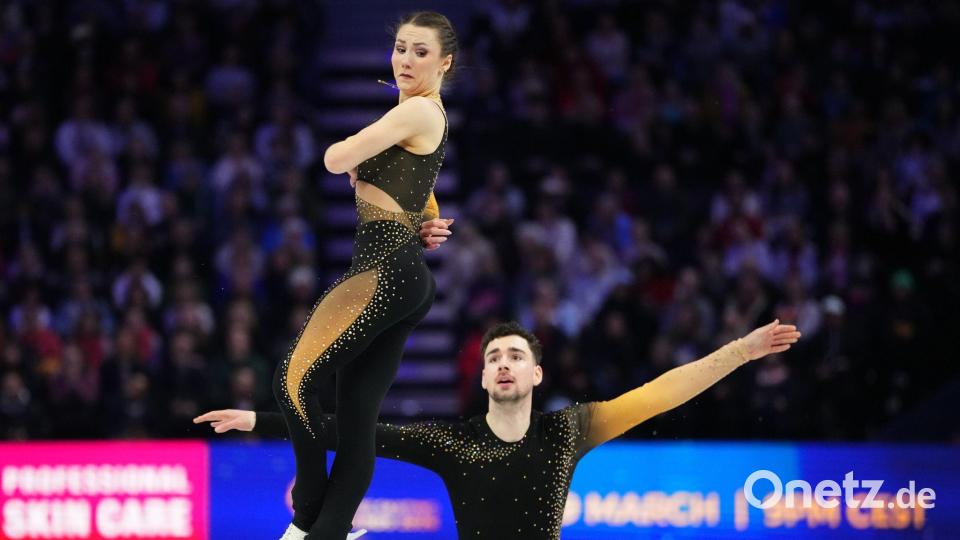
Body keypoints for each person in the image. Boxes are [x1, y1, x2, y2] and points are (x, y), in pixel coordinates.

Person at [198, 320, 801, 539]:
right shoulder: (452, 442)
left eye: (515, 355)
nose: (504, 363)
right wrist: (259, 420)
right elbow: (353, 431)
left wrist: (742, 351)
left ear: (536, 373)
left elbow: (660, 394)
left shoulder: (566, 432)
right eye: (494, 358)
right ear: (484, 377)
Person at [269, 11, 458, 540]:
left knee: (292, 381)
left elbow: (333, 159)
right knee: (355, 421)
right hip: (400, 268)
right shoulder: (418, 115)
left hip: (385, 269)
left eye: (420, 51)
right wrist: (424, 219)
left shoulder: (416, 110)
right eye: (400, 48)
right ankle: (330, 531)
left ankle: (307, 519)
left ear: (445, 62)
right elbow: (418, 187)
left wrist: (351, 153)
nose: (405, 60)